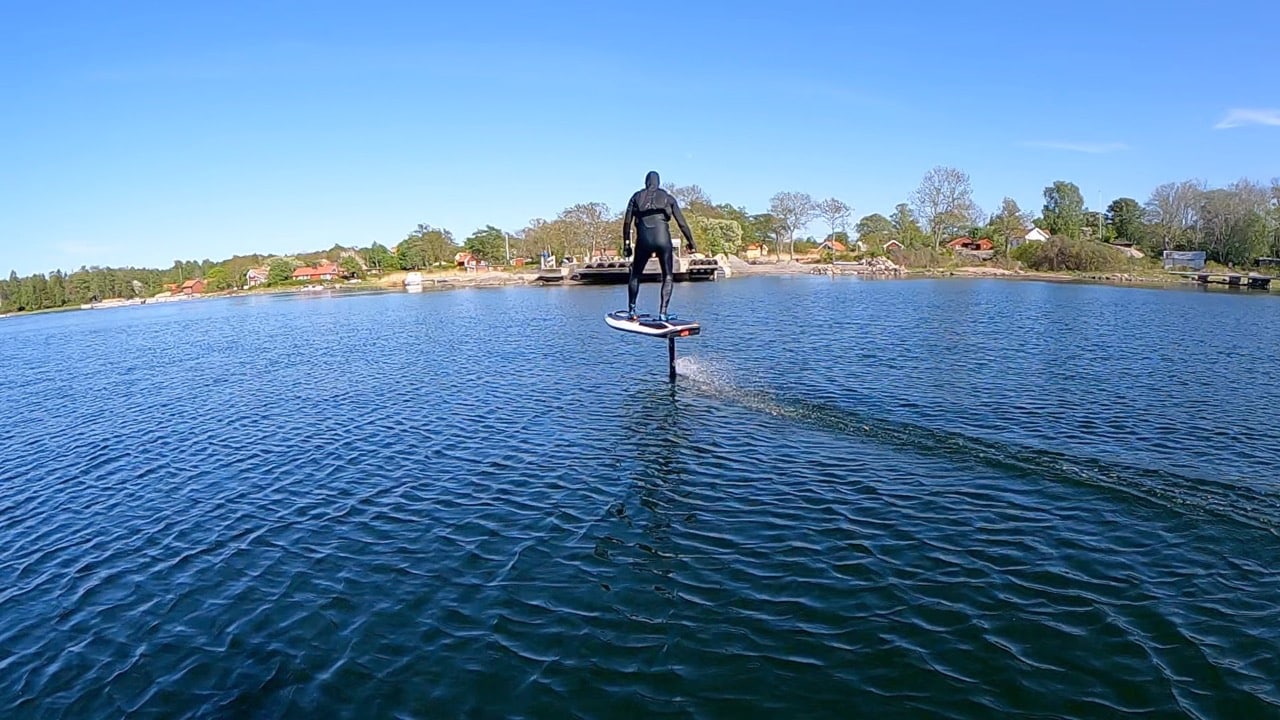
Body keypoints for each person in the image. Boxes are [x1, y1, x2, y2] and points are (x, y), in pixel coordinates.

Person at [622, 170, 696, 321]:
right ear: (658, 182)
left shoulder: (636, 197)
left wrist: (627, 245)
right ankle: (663, 313)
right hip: (663, 240)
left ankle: (632, 310)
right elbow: (682, 223)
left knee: (635, 275)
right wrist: (691, 242)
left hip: (643, 240)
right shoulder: (668, 198)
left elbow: (627, 223)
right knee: (668, 276)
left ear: (646, 182)